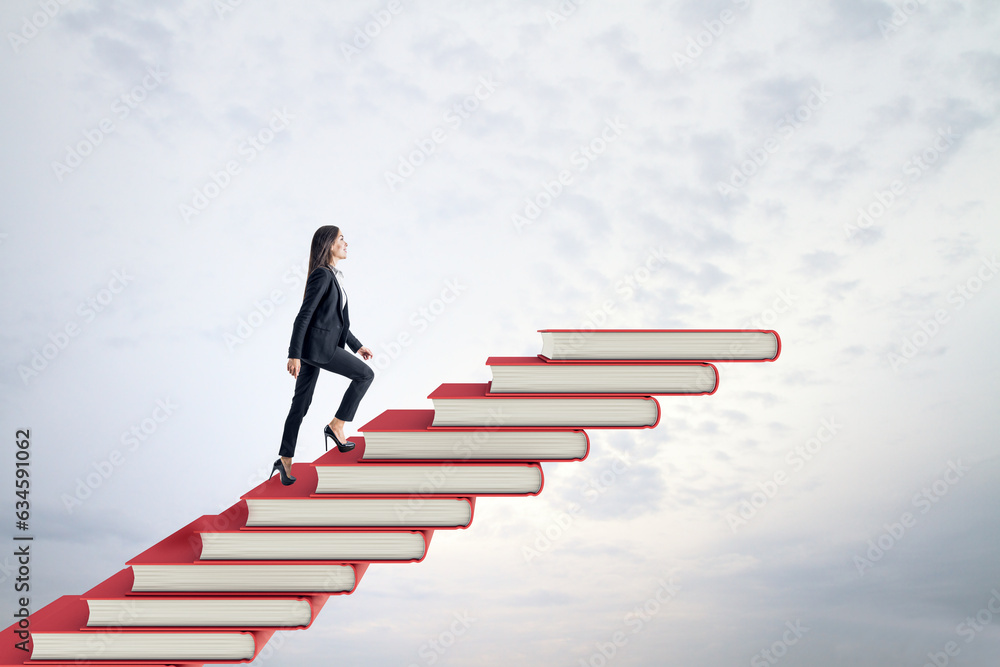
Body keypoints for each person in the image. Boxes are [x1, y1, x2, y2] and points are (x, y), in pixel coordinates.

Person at [271, 226, 374, 485]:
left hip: (315, 348)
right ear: (329, 244)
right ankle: (336, 426)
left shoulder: (333, 277)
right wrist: (293, 354)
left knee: (300, 405)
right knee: (364, 375)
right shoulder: (322, 275)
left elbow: (335, 322)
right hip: (318, 350)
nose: (346, 243)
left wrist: (356, 346)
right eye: (341, 238)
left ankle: (284, 459)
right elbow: (304, 315)